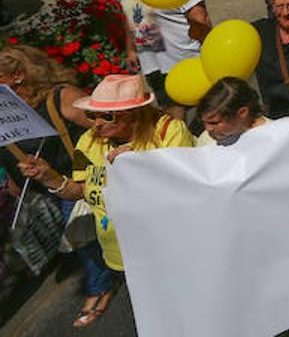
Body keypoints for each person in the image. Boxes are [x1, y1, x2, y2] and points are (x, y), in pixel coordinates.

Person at [19, 75, 194, 283]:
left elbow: (183, 186)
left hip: (170, 243)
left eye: (107, 116)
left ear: (133, 114)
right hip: (119, 251)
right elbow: (80, 191)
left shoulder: (168, 131)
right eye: (92, 115)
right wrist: (49, 177)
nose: (97, 124)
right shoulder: (88, 141)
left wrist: (136, 165)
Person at [0, 47, 114, 327]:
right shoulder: (6, 110)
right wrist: (14, 181)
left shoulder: (62, 98)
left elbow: (107, 127)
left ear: (17, 76)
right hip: (39, 184)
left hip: (75, 180)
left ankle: (100, 286)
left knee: (80, 233)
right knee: (80, 234)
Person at [97, 0, 211, 113]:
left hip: (186, 61)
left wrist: (208, 52)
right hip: (153, 65)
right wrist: (131, 49)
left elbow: (200, 18)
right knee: (173, 120)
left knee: (211, 114)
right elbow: (131, 17)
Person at [196, 78, 268, 147]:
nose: (208, 128)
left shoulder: (272, 137)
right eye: (203, 122)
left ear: (242, 113)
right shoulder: (206, 139)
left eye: (214, 122)